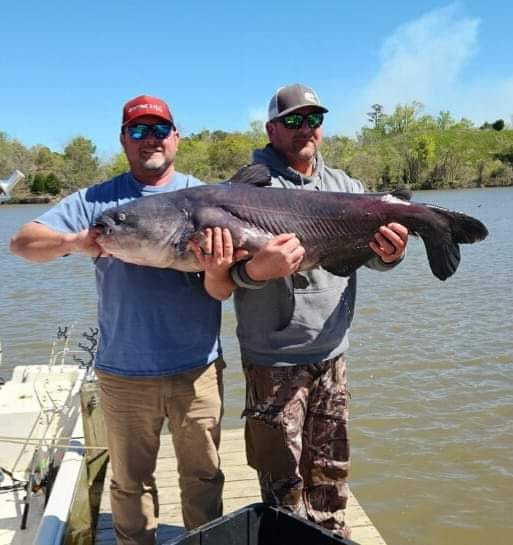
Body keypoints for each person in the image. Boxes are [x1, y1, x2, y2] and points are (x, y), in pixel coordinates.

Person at [10, 95, 231, 545]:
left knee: (204, 479)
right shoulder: (97, 202)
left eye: (158, 129)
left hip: (198, 368)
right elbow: (22, 242)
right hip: (124, 372)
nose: (149, 139)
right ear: (123, 140)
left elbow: (227, 285)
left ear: (176, 137)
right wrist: (75, 241)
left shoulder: (210, 197)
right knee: (130, 486)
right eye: (137, 131)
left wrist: (217, 264)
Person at [197, 84, 409, 538]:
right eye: (292, 121)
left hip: (333, 354)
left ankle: (333, 534)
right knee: (282, 484)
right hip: (273, 360)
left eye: (313, 119)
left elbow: (368, 258)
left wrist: (390, 255)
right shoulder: (245, 188)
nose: (304, 129)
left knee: (331, 473)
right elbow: (222, 279)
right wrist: (258, 269)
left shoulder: (346, 187)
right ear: (272, 128)